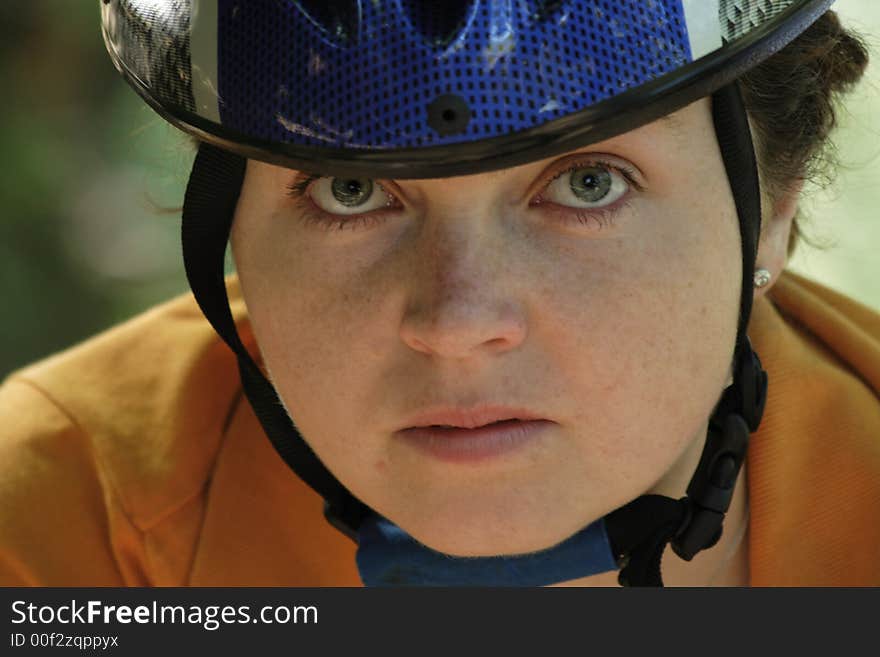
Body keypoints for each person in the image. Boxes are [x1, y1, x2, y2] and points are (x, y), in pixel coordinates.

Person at [0, 0, 877, 587]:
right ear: (232, 236)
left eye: (588, 184)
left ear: (775, 207)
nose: (457, 323)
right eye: (351, 192)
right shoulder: (51, 521)